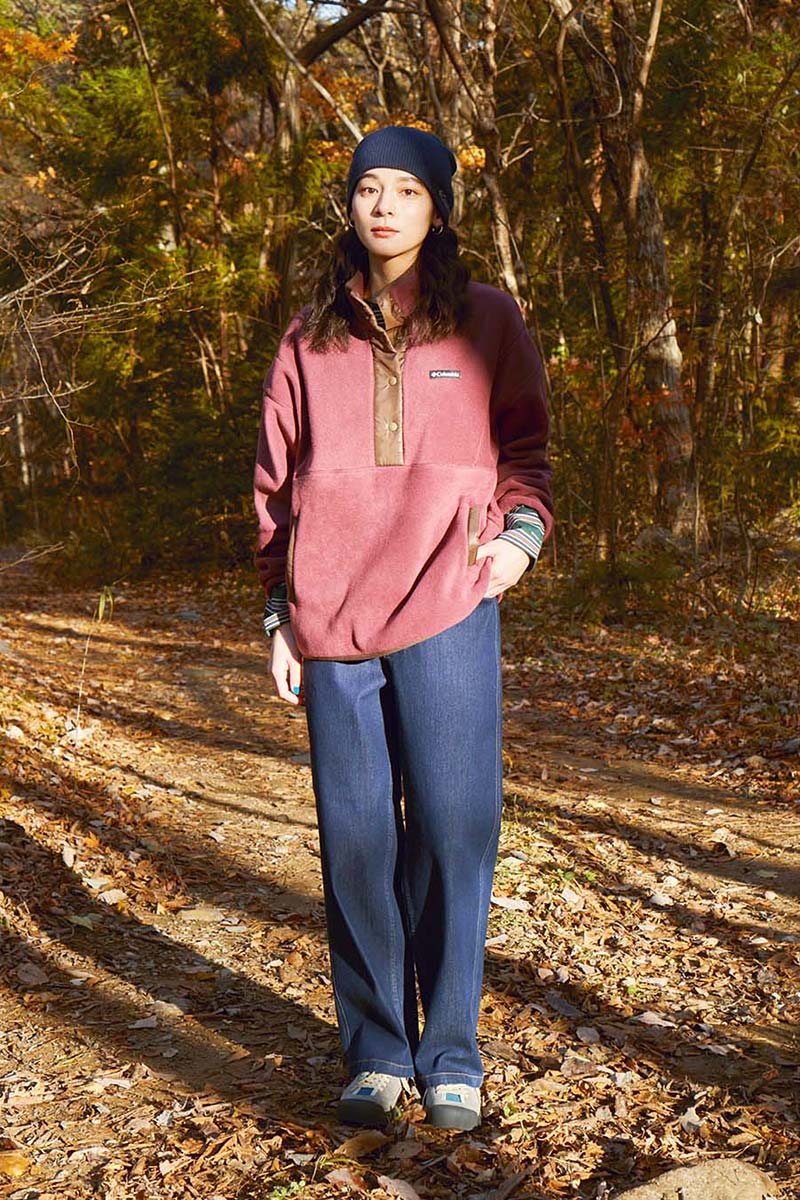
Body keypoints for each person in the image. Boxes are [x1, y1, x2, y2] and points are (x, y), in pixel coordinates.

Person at [254, 125, 553, 1132]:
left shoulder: (485, 319)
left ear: (437, 208)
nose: (382, 206)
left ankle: (451, 1051)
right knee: (356, 840)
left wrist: (518, 540)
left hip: (448, 603)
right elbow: (273, 492)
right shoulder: (307, 338)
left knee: (456, 828)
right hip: (332, 619)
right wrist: (278, 614)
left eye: (406, 190)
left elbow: (526, 450)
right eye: (367, 189)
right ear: (349, 206)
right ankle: (378, 1049)